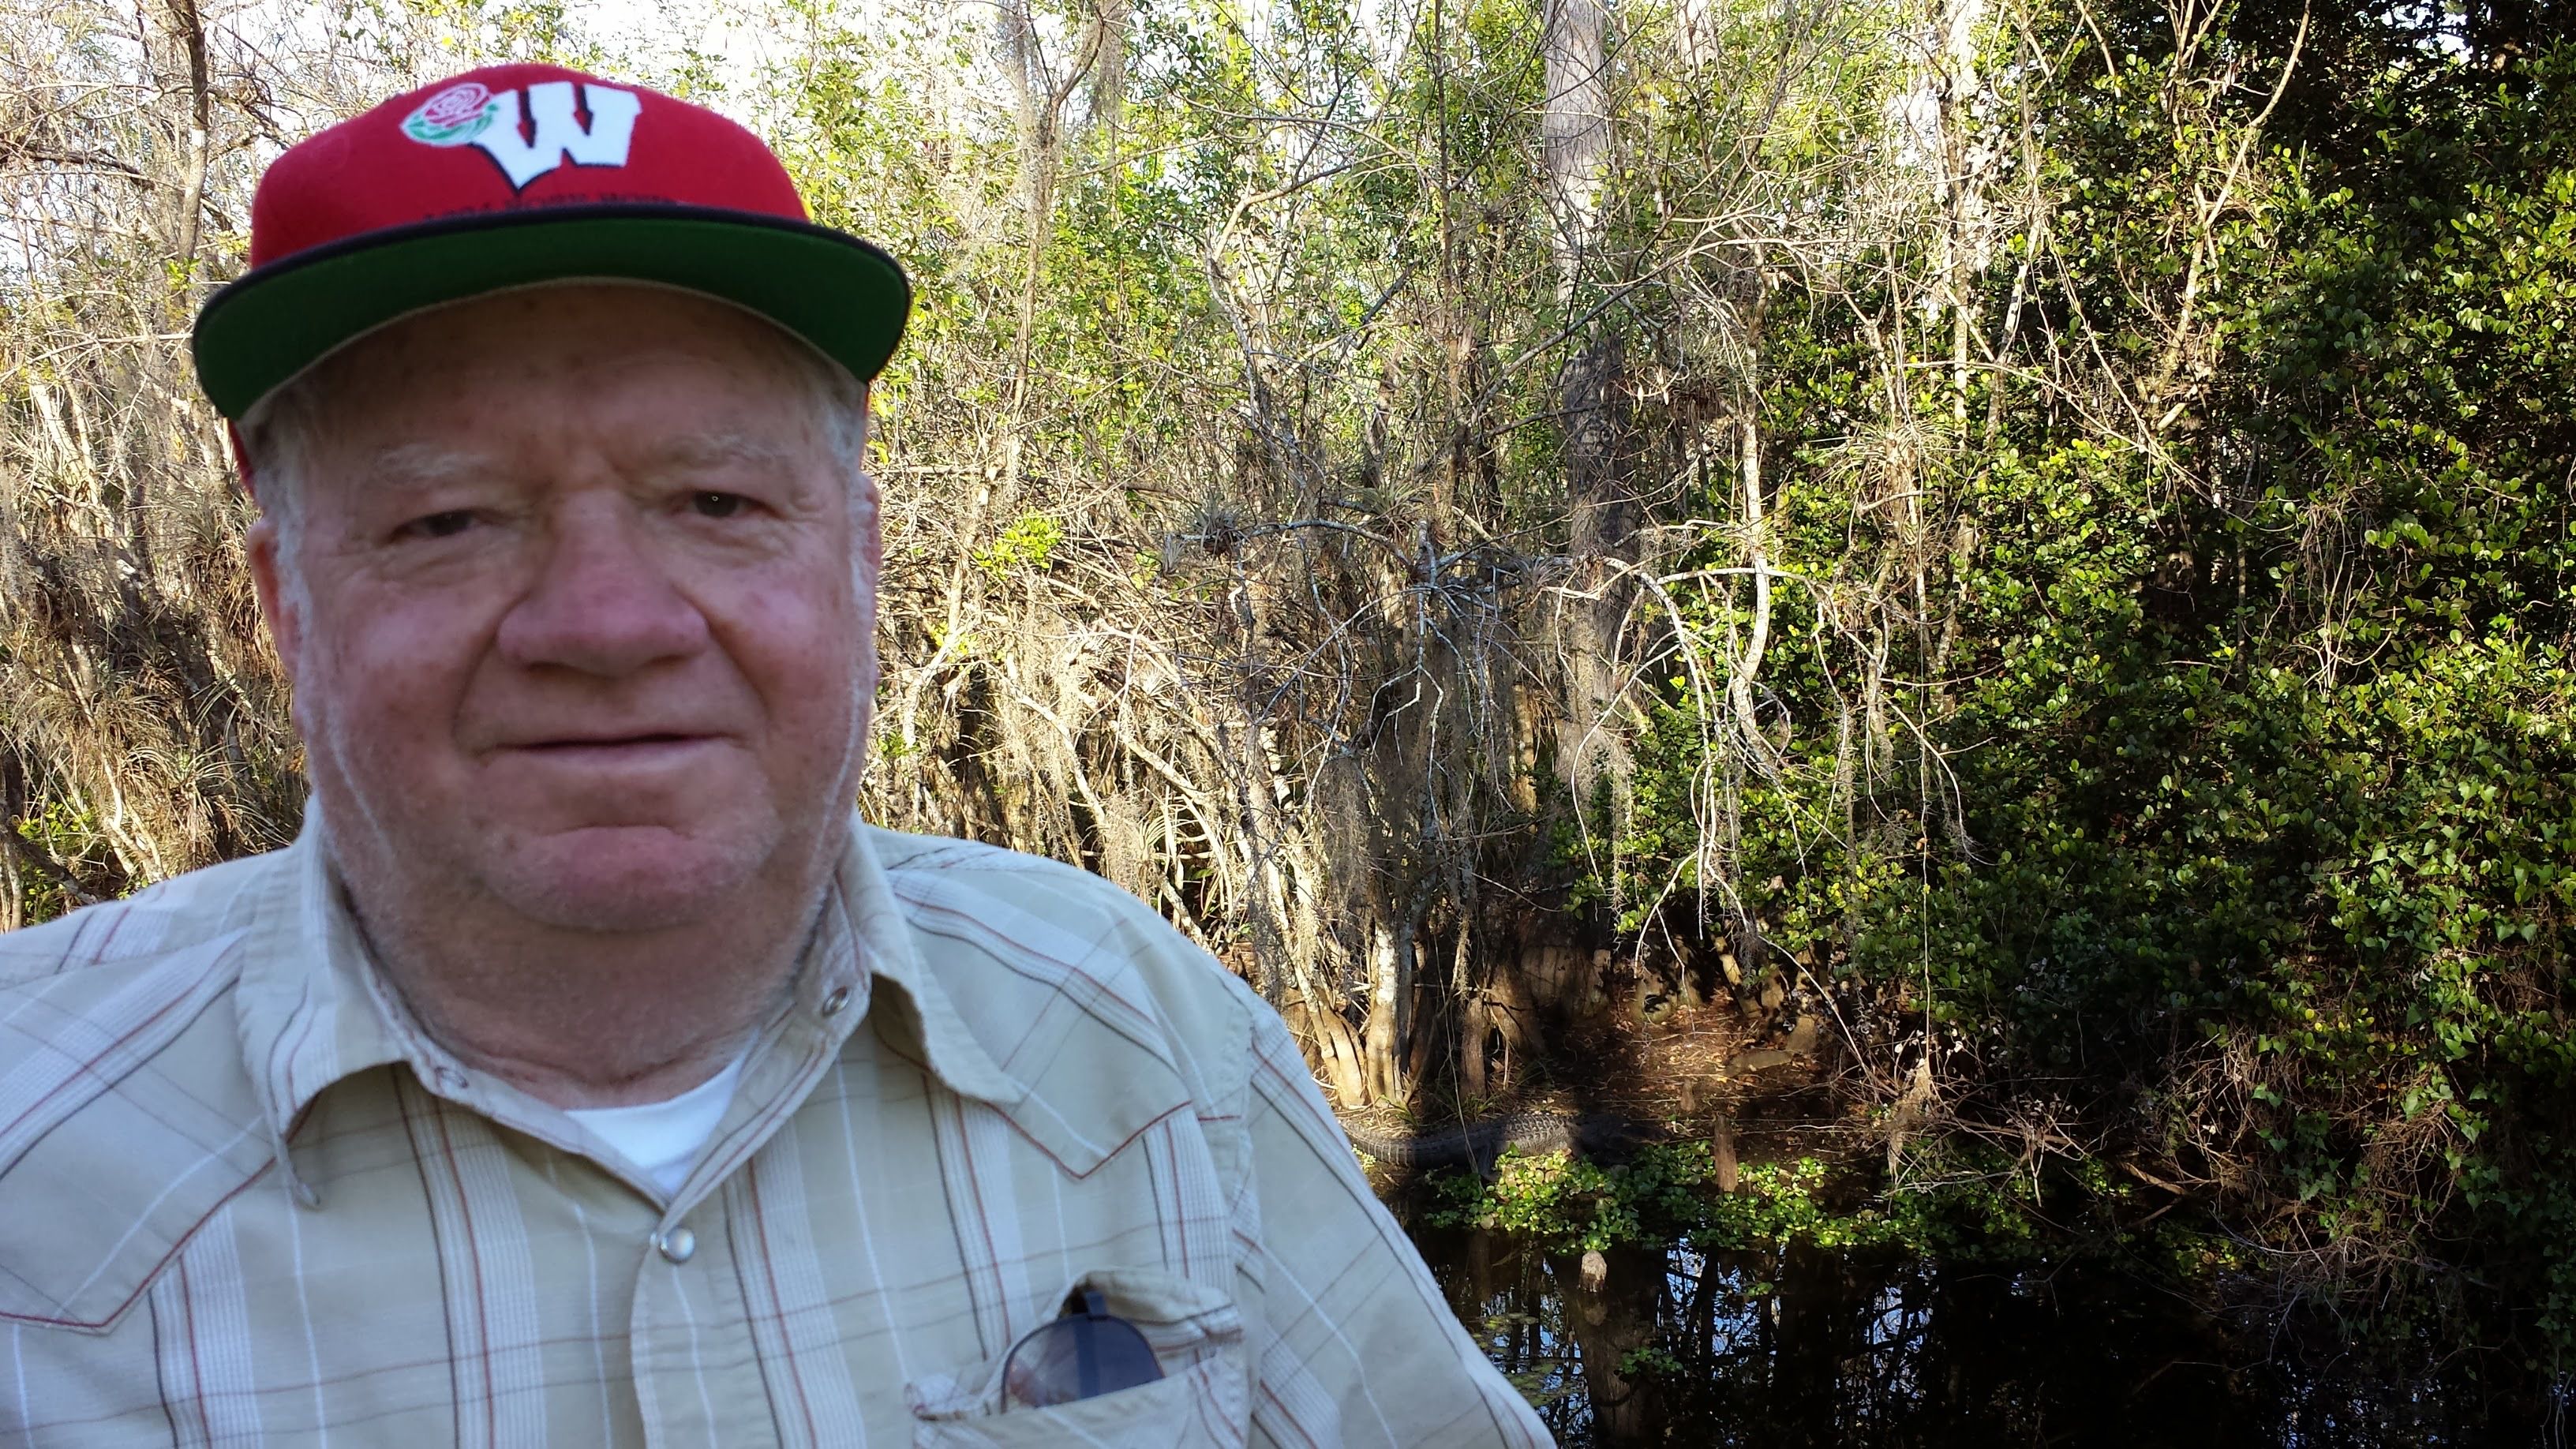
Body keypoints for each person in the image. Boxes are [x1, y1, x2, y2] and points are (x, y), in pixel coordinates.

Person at [0, 64, 1552, 1447]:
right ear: (287, 604)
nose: (608, 621)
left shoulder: (1136, 1032)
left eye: (718, 503)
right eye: (448, 519)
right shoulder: (31, 1151)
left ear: (858, 562)